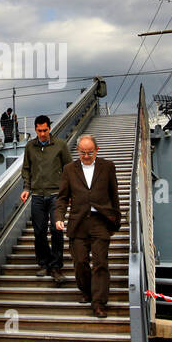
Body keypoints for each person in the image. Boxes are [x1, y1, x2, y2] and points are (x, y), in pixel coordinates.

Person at [54, 135, 122, 318]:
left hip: (100, 221)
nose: (86, 156)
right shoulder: (69, 169)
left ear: (97, 150)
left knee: (100, 263)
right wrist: (59, 216)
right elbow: (62, 197)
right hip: (78, 223)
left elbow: (114, 194)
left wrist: (116, 220)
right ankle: (87, 291)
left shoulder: (107, 167)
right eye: (83, 153)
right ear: (78, 152)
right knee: (80, 262)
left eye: (90, 152)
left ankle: (99, 303)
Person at [20, 115, 72, 282]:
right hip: (37, 196)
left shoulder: (60, 146)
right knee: (39, 231)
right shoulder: (30, 147)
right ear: (35, 130)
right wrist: (27, 188)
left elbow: (69, 169)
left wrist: (68, 193)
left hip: (56, 195)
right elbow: (26, 169)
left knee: (56, 231)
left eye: (45, 130)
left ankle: (56, 267)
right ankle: (44, 263)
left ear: (50, 128)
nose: (42, 134)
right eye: (39, 130)